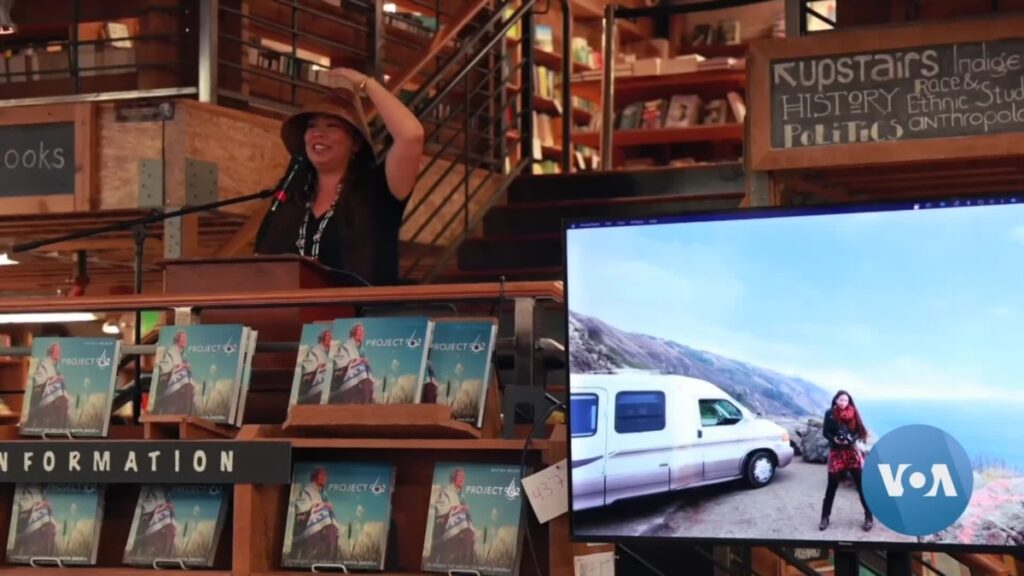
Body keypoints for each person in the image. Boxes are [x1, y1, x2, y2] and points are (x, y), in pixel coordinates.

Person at [254, 68, 425, 286]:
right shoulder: (291, 196)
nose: (318, 133)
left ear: (355, 143)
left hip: (362, 308)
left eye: (332, 126)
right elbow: (261, 264)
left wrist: (366, 83)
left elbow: (411, 135)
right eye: (312, 126)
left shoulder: (378, 190)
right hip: (293, 307)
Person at [819, 390, 873, 532]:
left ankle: (869, 517)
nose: (843, 402)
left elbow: (859, 432)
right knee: (831, 486)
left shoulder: (853, 413)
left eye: (846, 400)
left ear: (849, 402)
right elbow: (825, 432)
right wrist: (835, 439)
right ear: (836, 400)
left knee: (861, 486)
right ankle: (825, 518)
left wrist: (851, 439)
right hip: (836, 452)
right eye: (841, 400)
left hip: (851, 452)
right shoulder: (829, 413)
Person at [428, 467, 475, 567]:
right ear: (453, 478)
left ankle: (465, 561)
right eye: (459, 476)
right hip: (444, 525)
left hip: (459, 527)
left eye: (463, 477)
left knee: (469, 532)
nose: (462, 479)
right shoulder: (446, 491)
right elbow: (440, 508)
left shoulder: (461, 496)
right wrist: (457, 508)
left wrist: (464, 509)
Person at [289, 467, 339, 561]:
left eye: (325, 475)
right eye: (321, 474)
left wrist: (325, 507)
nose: (324, 477)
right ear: (314, 476)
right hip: (308, 529)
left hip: (324, 528)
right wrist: (319, 507)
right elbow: (301, 515)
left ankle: (330, 559)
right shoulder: (306, 491)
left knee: (332, 529)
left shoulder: (323, 494)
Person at [25, 342, 70, 431]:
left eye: (59, 351)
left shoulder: (56, 367)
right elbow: (39, 383)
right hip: (40, 398)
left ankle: (60, 430)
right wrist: (54, 379)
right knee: (61, 401)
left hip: (53, 397)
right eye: (57, 350)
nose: (59, 353)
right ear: (50, 352)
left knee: (64, 402)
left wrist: (59, 379)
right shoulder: (43, 364)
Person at [151, 331, 195, 415]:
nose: (185, 340)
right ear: (177, 339)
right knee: (187, 385)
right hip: (169, 382)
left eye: (185, 339)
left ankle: (186, 414)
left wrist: (186, 367)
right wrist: (179, 366)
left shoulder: (184, 355)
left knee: (190, 387)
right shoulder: (171, 351)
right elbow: (165, 367)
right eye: (182, 338)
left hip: (181, 382)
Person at [329, 323, 374, 404]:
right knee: (361, 369)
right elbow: (339, 363)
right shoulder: (345, 345)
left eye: (363, 331)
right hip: (343, 378)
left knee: (367, 372)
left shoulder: (362, 351)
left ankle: (366, 401)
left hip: (359, 378)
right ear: (353, 332)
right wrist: (355, 361)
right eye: (359, 330)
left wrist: (365, 363)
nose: (362, 333)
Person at [296, 328, 332, 404]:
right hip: (310, 390)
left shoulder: (328, 353)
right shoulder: (314, 351)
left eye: (331, 337)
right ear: (322, 339)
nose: (331, 339)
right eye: (328, 336)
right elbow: (307, 375)